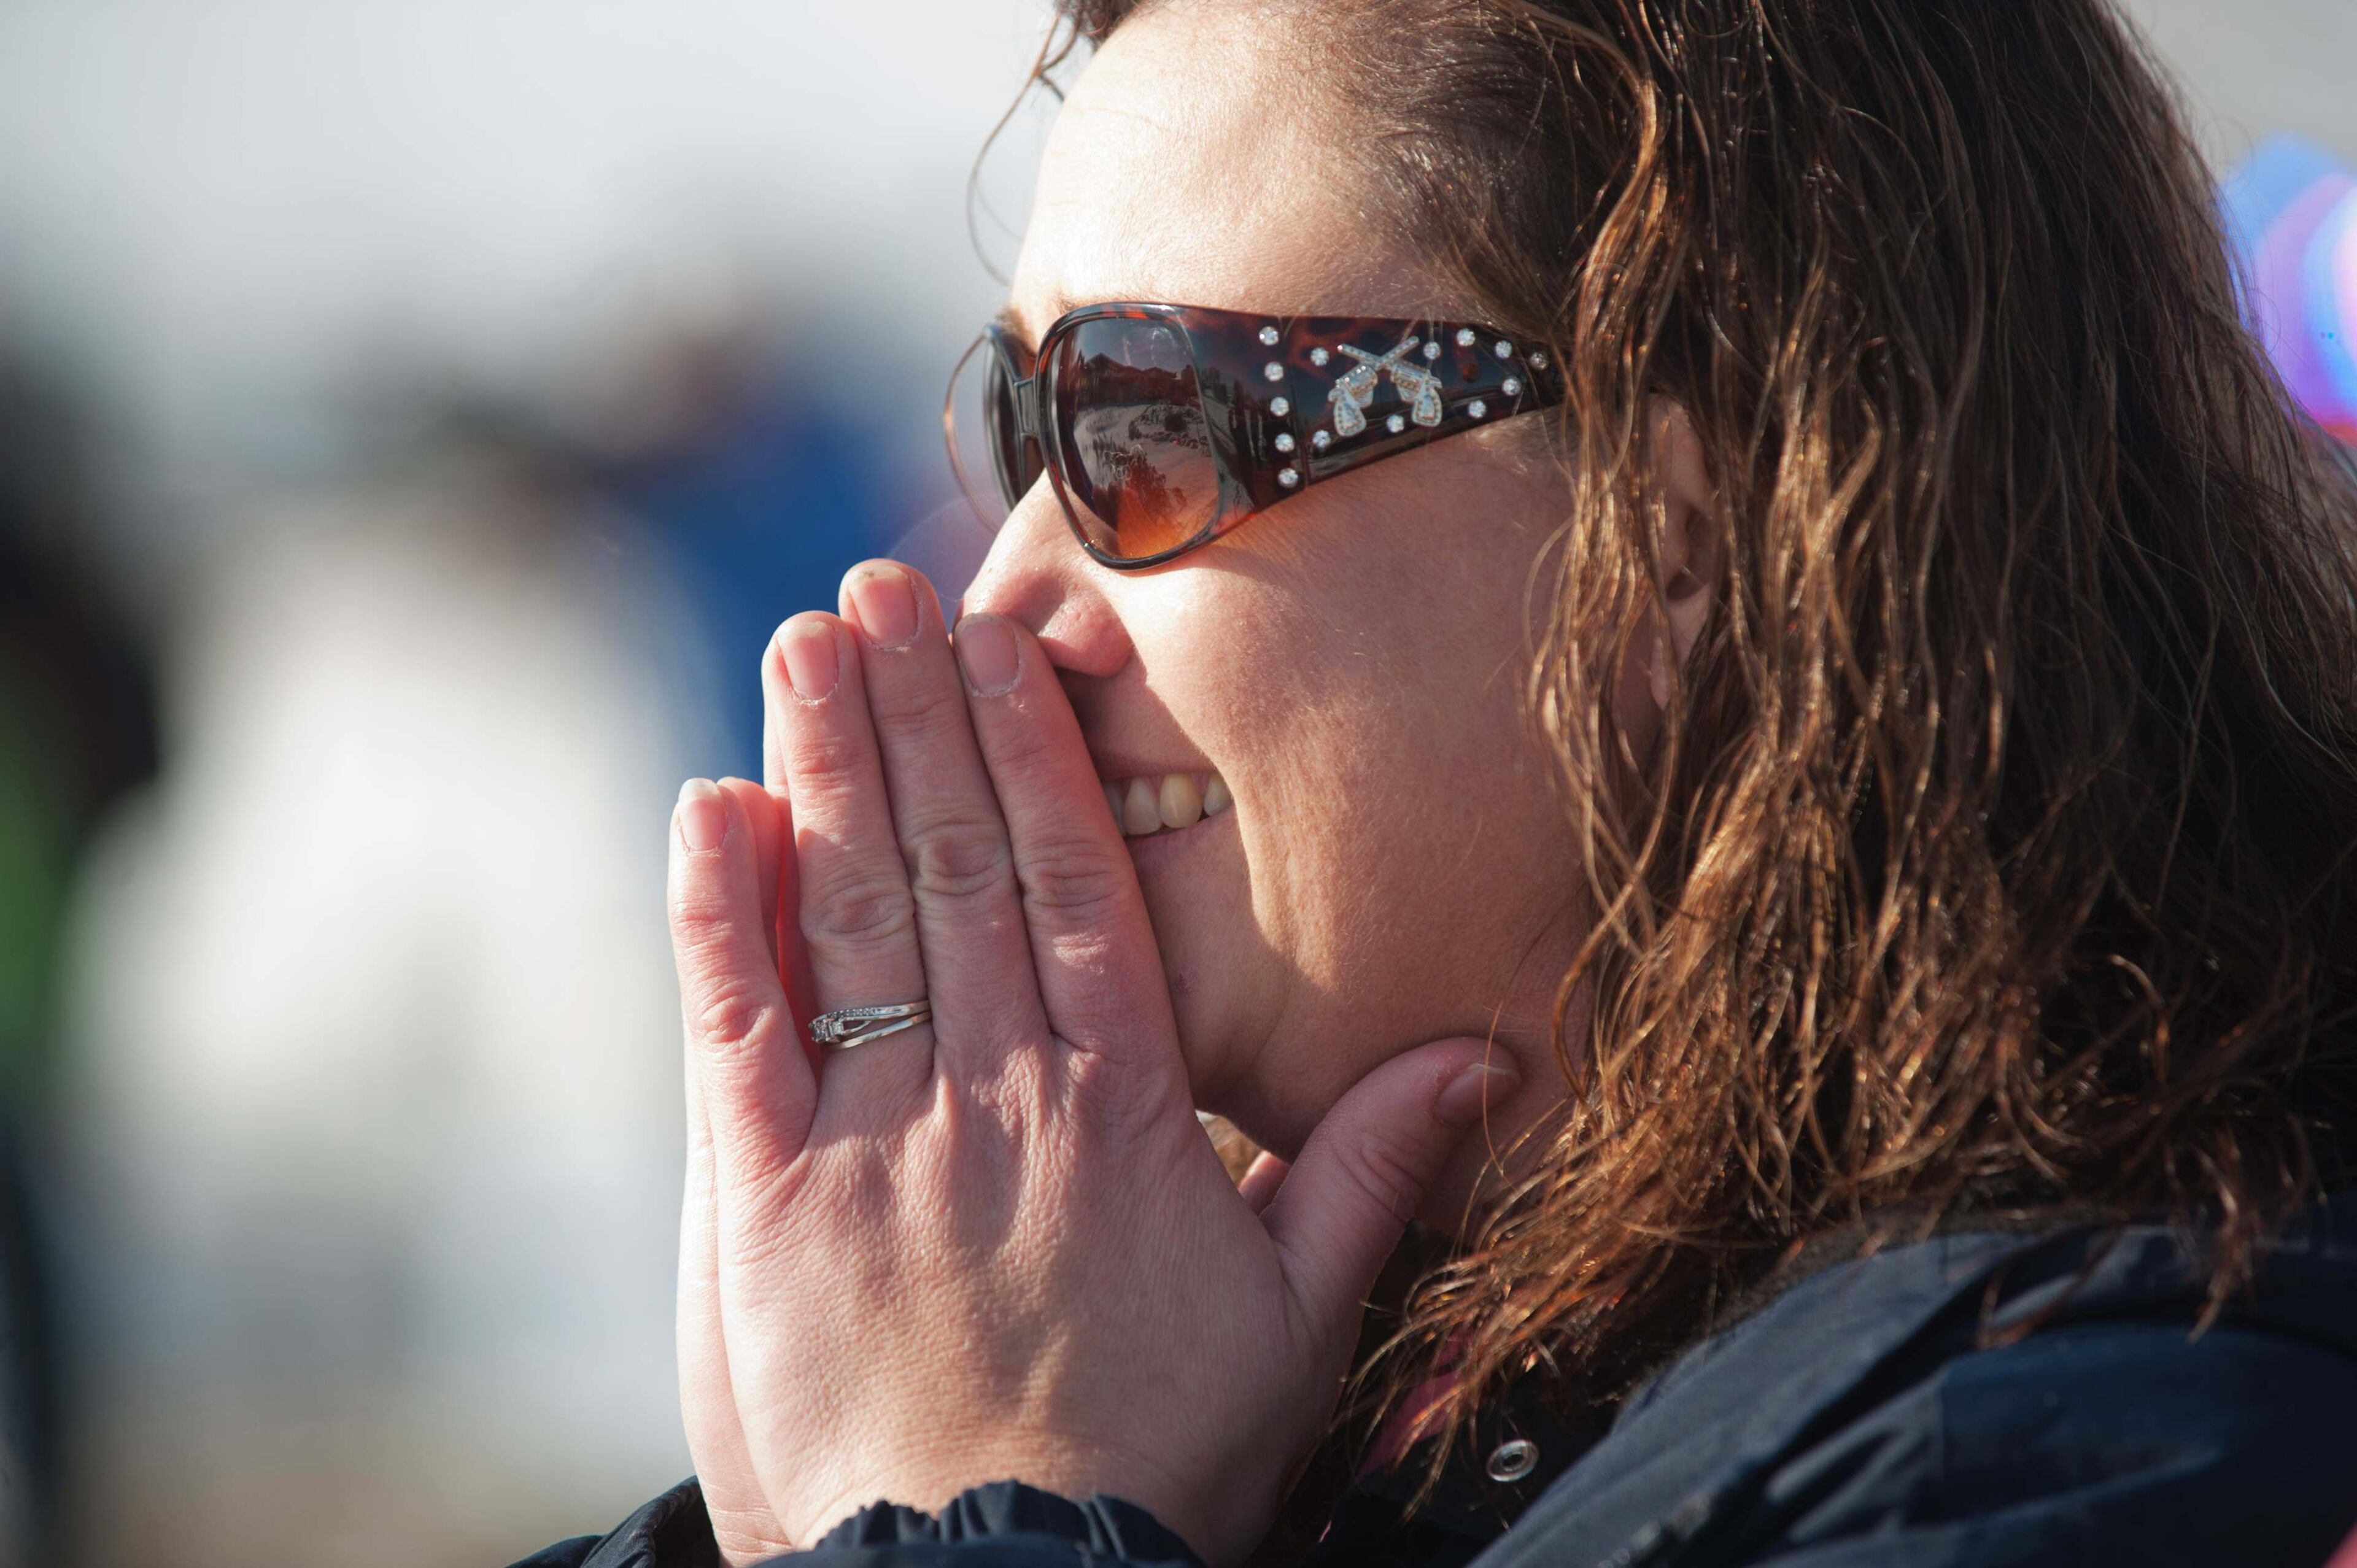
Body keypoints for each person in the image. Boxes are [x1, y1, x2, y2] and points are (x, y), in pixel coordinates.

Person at [518, 1, 2357, 1563]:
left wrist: (965, 1507)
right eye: (1023, 427)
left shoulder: (2093, 1438)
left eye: (1137, 431)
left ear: (1675, 539)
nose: (1002, 596)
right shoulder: (1284, 1398)